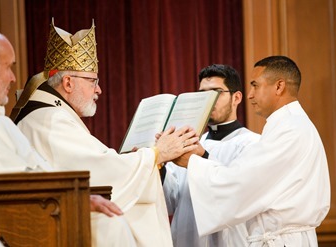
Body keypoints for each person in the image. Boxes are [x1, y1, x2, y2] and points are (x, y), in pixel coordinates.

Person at [11, 20, 199, 247]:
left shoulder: (51, 113)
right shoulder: (50, 119)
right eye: (92, 81)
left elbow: (99, 168)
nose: (98, 89)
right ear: (68, 83)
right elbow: (100, 173)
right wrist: (157, 154)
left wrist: (152, 159)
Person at [0, 30, 137, 246]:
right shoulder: (49, 118)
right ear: (68, 83)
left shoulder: (4, 122)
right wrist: (153, 156)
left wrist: (79, 199)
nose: (14, 78)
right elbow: (15, 188)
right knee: (110, 224)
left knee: (110, 219)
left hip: (41, 209)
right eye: (8, 67)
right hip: (24, 223)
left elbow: (36, 175)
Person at [173, 56, 331, 246]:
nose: (250, 95)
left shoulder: (289, 129)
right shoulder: (287, 124)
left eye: (255, 85)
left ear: (279, 87)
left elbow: (240, 185)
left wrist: (194, 161)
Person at [162, 64, 260, 246]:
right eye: (203, 94)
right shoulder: (189, 142)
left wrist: (203, 158)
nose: (208, 100)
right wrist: (158, 163)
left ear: (236, 97)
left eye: (216, 92)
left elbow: (238, 194)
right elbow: (171, 199)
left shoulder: (252, 144)